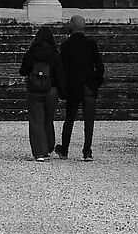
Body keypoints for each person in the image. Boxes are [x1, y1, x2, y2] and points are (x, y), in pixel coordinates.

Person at [55, 13, 107, 159]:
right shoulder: (91, 44)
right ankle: (87, 151)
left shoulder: (66, 45)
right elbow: (100, 67)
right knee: (89, 121)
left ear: (71, 26)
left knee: (69, 119)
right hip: (89, 86)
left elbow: (63, 69)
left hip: (73, 86)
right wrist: (96, 82)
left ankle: (64, 149)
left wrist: (62, 88)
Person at [19, 24, 63, 161]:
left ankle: (39, 151)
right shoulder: (55, 54)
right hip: (51, 90)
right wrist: (63, 92)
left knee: (36, 121)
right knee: (48, 120)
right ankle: (49, 147)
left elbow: (23, 71)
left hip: (34, 90)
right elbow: (60, 75)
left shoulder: (31, 52)